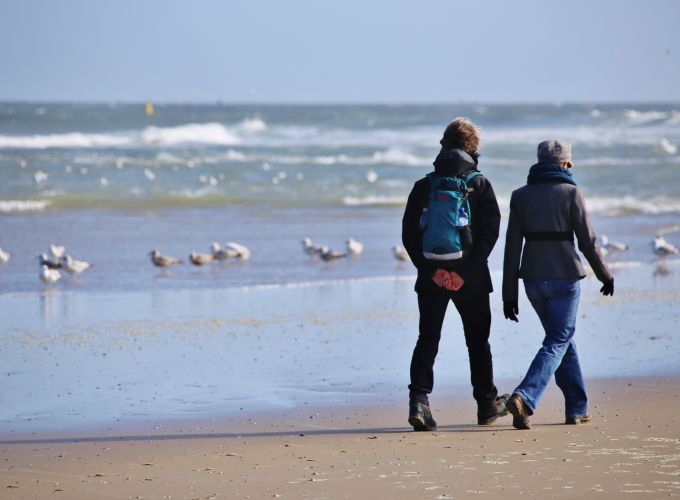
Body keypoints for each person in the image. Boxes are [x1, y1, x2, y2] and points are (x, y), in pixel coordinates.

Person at [402, 117, 509, 431]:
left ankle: (419, 402)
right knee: (478, 342)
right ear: (473, 150)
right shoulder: (480, 184)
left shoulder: (424, 186)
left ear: (443, 145)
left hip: (430, 277)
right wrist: (463, 274)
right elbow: (489, 234)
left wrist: (433, 272)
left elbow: (409, 236)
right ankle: (487, 404)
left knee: (427, 339)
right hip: (471, 279)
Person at [502, 139, 614, 430]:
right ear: (565, 164)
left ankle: (577, 407)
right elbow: (588, 242)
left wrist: (508, 293)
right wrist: (605, 275)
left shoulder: (520, 196)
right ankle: (525, 397)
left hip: (533, 281)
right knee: (557, 340)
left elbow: (512, 246)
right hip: (565, 277)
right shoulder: (571, 193)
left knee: (561, 339)